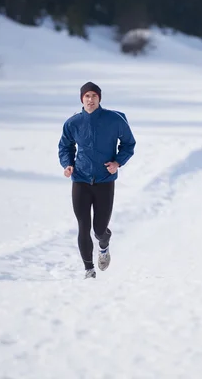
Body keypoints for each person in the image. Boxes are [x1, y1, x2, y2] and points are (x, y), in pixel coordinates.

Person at [58, 82, 136, 279]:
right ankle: (89, 270)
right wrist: (67, 164)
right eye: (86, 96)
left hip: (104, 180)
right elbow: (65, 147)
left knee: (99, 229)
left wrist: (117, 162)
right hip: (81, 180)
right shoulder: (73, 123)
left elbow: (129, 143)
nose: (90, 99)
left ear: (99, 98)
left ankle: (104, 245)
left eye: (93, 96)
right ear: (81, 99)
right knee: (83, 226)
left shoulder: (114, 119)